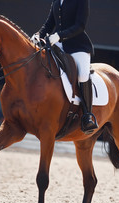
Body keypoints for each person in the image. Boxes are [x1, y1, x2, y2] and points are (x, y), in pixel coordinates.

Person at [30, 0, 98, 134]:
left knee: (83, 74)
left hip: (77, 46)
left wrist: (60, 35)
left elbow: (80, 26)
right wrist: (38, 35)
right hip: (58, 44)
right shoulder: (56, 1)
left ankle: (87, 115)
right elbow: (49, 23)